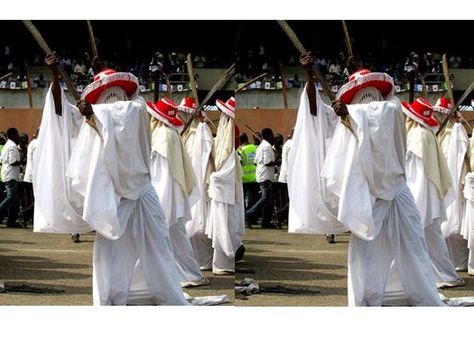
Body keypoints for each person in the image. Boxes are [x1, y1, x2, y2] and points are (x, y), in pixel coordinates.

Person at [34, 52, 187, 305]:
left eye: (116, 95)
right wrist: (56, 75)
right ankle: (109, 300)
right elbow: (60, 111)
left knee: (158, 244)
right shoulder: (89, 117)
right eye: (107, 97)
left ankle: (165, 293)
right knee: (110, 253)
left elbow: (120, 116)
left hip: (142, 190)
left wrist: (94, 112)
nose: (112, 102)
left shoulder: (136, 108)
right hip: (113, 196)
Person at [320, 67, 445, 306]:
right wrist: (346, 115)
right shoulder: (352, 120)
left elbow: (378, 116)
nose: (367, 101)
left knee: (413, 244)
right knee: (365, 253)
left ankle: (418, 292)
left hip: (397, 190)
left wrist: (352, 112)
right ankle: (366, 297)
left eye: (370, 95)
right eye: (361, 97)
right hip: (370, 196)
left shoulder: (392, 108)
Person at [147, 97, 209, 288]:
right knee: (177, 240)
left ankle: (188, 275)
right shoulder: (170, 135)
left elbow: (163, 175)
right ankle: (187, 274)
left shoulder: (163, 137)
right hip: (173, 198)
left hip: (166, 197)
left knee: (172, 239)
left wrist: (159, 204)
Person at [402, 97, 464, 288]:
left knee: (422, 239)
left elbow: (418, 176)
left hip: (422, 199)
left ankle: (440, 277)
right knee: (433, 241)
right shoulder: (425, 135)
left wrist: (414, 205)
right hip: (429, 200)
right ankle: (446, 276)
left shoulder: (418, 138)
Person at [206, 97, 245, 273]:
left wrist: (213, 177)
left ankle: (227, 261)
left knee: (226, 226)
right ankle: (222, 263)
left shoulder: (231, 134)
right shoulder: (224, 136)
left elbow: (226, 169)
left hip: (226, 193)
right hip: (223, 193)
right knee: (221, 226)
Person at [435, 98, 470, 271]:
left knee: (455, 229)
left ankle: (460, 262)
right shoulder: (439, 134)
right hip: (442, 185)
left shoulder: (457, 133)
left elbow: (462, 161)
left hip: (456, 183)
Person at [184, 108, 215, 271]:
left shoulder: (200, 133)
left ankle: (202, 259)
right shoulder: (186, 133)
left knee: (198, 226)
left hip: (199, 180)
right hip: (187, 184)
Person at [245, 128, 278, 229]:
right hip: (265, 176)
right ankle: (248, 214)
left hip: (262, 175)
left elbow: (255, 162)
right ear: (268, 135)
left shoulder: (261, 146)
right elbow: (267, 162)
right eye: (272, 135)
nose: (273, 137)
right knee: (265, 198)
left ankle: (266, 222)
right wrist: (278, 161)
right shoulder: (267, 146)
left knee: (269, 201)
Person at [0, 127, 24, 228]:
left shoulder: (7, 145)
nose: (18, 136)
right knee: (10, 198)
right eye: (17, 134)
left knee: (13, 200)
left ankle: (11, 221)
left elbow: (2, 160)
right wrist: (22, 162)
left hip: (8, 174)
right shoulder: (12, 146)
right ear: (13, 135)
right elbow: (12, 161)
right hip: (11, 176)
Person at [20, 128, 39, 225]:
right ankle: (25, 215)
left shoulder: (32, 143)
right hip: (34, 176)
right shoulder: (37, 144)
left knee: (33, 199)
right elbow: (37, 161)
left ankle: (28, 217)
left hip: (30, 175)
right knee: (39, 199)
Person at [236, 133, 258, 212]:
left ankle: (246, 215)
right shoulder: (255, 147)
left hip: (244, 179)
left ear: (240, 140)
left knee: (243, 199)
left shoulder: (240, 150)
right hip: (255, 178)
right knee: (254, 198)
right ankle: (252, 216)